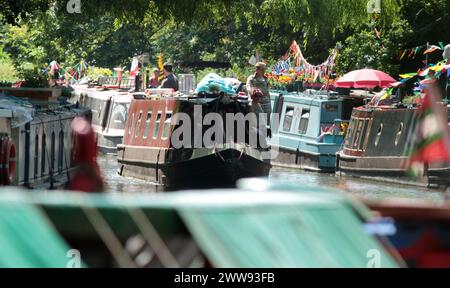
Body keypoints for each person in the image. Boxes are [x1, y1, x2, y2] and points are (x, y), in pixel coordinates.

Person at [246, 62, 272, 127]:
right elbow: (248, 87)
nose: (264, 71)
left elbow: (267, 90)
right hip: (256, 102)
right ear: (257, 69)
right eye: (262, 69)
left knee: (265, 122)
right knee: (256, 122)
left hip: (266, 103)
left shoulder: (266, 79)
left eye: (264, 69)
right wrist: (254, 92)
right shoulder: (252, 78)